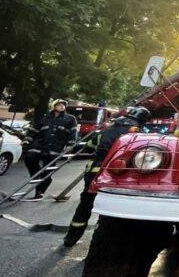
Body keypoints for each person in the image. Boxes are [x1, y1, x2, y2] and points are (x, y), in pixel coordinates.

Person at [63, 106, 150, 247]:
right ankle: (100, 244)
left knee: (85, 204)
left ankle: (71, 238)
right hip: (114, 174)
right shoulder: (135, 132)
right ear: (142, 120)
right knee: (110, 210)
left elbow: (91, 144)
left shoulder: (109, 128)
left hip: (93, 172)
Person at [24, 99, 78, 199]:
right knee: (29, 158)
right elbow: (33, 130)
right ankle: (37, 177)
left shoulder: (70, 118)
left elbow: (73, 132)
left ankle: (39, 192)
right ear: (54, 106)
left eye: (63, 105)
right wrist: (27, 140)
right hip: (39, 145)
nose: (62, 106)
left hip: (55, 147)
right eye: (59, 104)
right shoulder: (45, 117)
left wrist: (70, 145)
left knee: (47, 170)